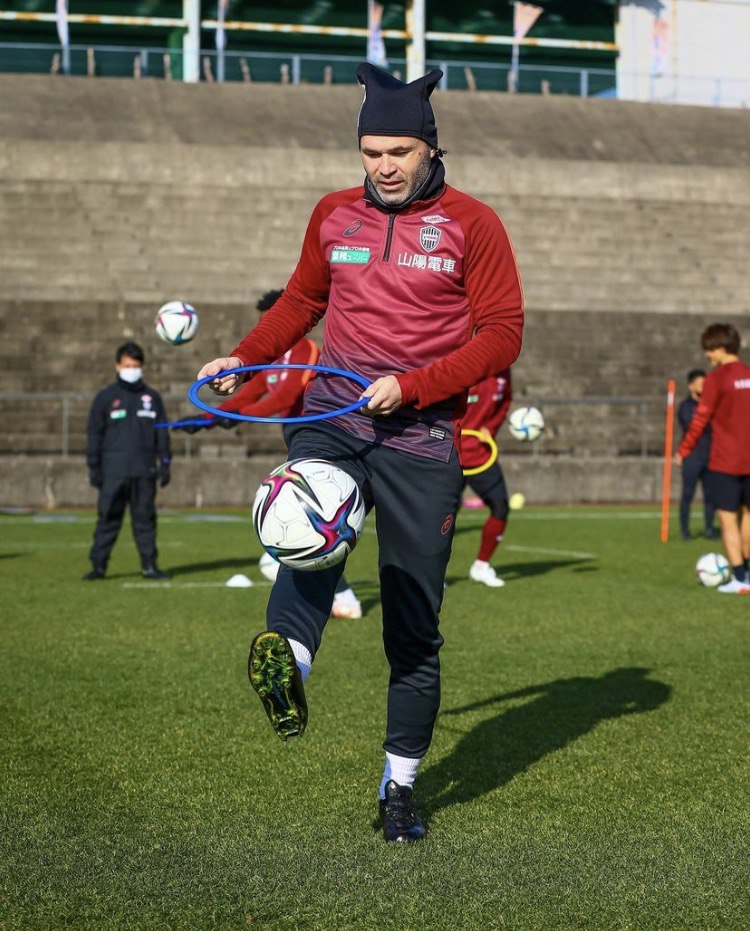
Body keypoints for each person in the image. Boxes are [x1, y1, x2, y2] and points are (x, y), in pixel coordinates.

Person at [197, 63, 524, 841]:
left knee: (412, 628)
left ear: (430, 149)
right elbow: (302, 300)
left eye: (399, 151)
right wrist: (244, 356)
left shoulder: (474, 224)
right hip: (334, 419)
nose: (384, 166)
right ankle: (291, 665)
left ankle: (398, 787)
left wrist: (412, 385)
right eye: (372, 152)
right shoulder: (332, 213)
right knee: (303, 527)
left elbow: (503, 333)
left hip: (422, 436)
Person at [177, 289, 363, 619]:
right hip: (295, 435)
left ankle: (340, 593)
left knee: (316, 517)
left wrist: (234, 417)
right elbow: (253, 393)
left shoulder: (306, 350)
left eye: (273, 321)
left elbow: (284, 398)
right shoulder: (274, 358)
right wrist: (207, 418)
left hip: (317, 433)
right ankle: (338, 593)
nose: (269, 329)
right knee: (310, 517)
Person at [84, 342, 171, 581]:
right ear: (117, 366)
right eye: (127, 365)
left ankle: (149, 566)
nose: (132, 370)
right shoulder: (105, 398)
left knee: (145, 522)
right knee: (107, 519)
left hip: (144, 471)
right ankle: (98, 566)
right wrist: (94, 467)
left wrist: (165, 463)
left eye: (136, 366)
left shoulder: (152, 398)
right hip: (114, 472)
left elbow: (162, 434)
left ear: (142, 367)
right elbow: (94, 435)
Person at [677, 323, 750, 594]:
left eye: (708, 350)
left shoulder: (716, 380)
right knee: (748, 517)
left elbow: (700, 420)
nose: (707, 355)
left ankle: (740, 579)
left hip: (725, 461)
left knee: (728, 520)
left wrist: (684, 450)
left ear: (719, 348)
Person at [460, 369, 512, 588]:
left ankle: (481, 566)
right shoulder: (468, 365)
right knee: (440, 516)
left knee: (501, 506)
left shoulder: (505, 371)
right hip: (452, 453)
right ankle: (432, 573)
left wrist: (491, 428)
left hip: (482, 454)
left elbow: (505, 401)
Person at [677, 369, 716, 541]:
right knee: (687, 494)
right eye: (700, 383)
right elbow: (691, 425)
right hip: (692, 456)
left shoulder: (712, 403)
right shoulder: (686, 406)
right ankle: (685, 530)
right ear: (691, 386)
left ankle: (709, 529)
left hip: (711, 455)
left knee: (711, 495)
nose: (704, 387)